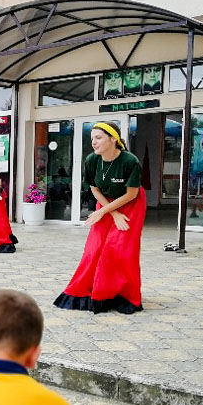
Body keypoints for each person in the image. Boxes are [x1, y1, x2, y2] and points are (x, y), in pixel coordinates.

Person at [54, 122, 146, 314]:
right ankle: (92, 289)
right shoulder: (92, 160)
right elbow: (94, 189)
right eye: (92, 139)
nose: (93, 142)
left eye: (98, 138)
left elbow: (131, 194)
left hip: (130, 204)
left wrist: (109, 213)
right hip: (105, 203)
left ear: (113, 139)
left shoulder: (130, 161)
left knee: (118, 249)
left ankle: (123, 294)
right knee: (94, 248)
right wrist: (109, 212)